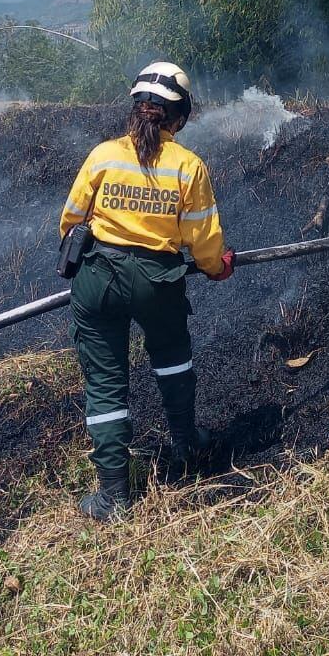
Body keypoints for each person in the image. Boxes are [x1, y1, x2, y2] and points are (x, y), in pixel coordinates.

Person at [59, 61, 234, 522]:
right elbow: (204, 242)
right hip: (159, 281)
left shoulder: (102, 156)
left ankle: (113, 497)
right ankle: (186, 446)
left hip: (97, 279)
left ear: (135, 107)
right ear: (181, 116)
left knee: (104, 383)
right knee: (173, 359)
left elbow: (71, 221)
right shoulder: (188, 166)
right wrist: (218, 268)